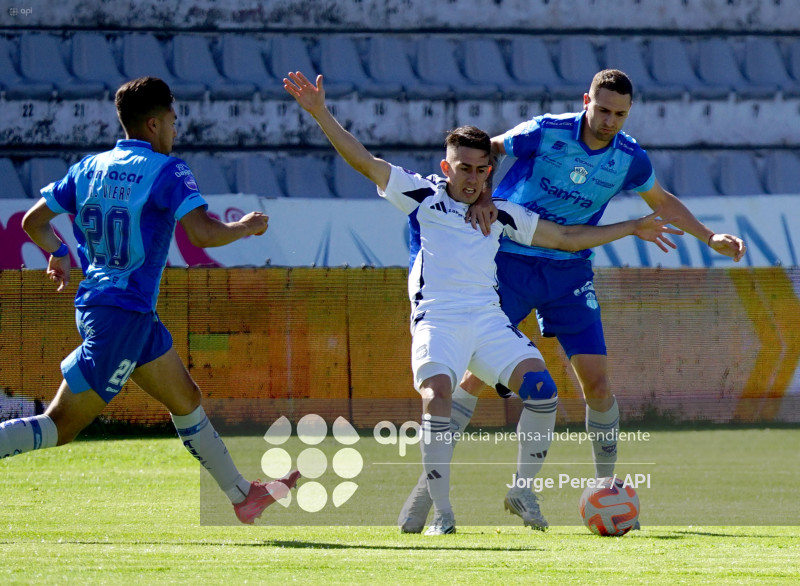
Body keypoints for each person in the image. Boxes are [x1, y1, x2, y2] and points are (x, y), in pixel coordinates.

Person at [283, 71, 682, 535]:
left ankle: (521, 489)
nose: (472, 177)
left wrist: (631, 227)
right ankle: (442, 511)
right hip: (439, 322)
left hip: (489, 323)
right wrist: (319, 113)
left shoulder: (503, 214)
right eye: (463, 168)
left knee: (543, 393)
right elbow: (363, 161)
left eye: (480, 169)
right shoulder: (422, 196)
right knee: (439, 396)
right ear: (446, 166)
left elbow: (569, 238)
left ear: (488, 173)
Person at [398, 68, 748, 532]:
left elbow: (660, 200)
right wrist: (482, 192)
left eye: (619, 114)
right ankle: (427, 492)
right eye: (602, 109)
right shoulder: (546, 130)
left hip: (569, 269)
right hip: (510, 262)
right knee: (473, 377)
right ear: (587, 100)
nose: (609, 120)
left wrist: (708, 236)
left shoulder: (629, 158)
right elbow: (492, 149)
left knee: (598, 384)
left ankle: (606, 493)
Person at [0, 76, 300, 524]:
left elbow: (31, 222)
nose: (176, 132)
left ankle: (243, 496)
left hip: (121, 312)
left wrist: (60, 253)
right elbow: (203, 232)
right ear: (154, 123)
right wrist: (247, 227)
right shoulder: (167, 170)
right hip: (120, 316)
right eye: (174, 122)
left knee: (186, 397)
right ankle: (241, 495)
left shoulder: (89, 168)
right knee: (60, 426)